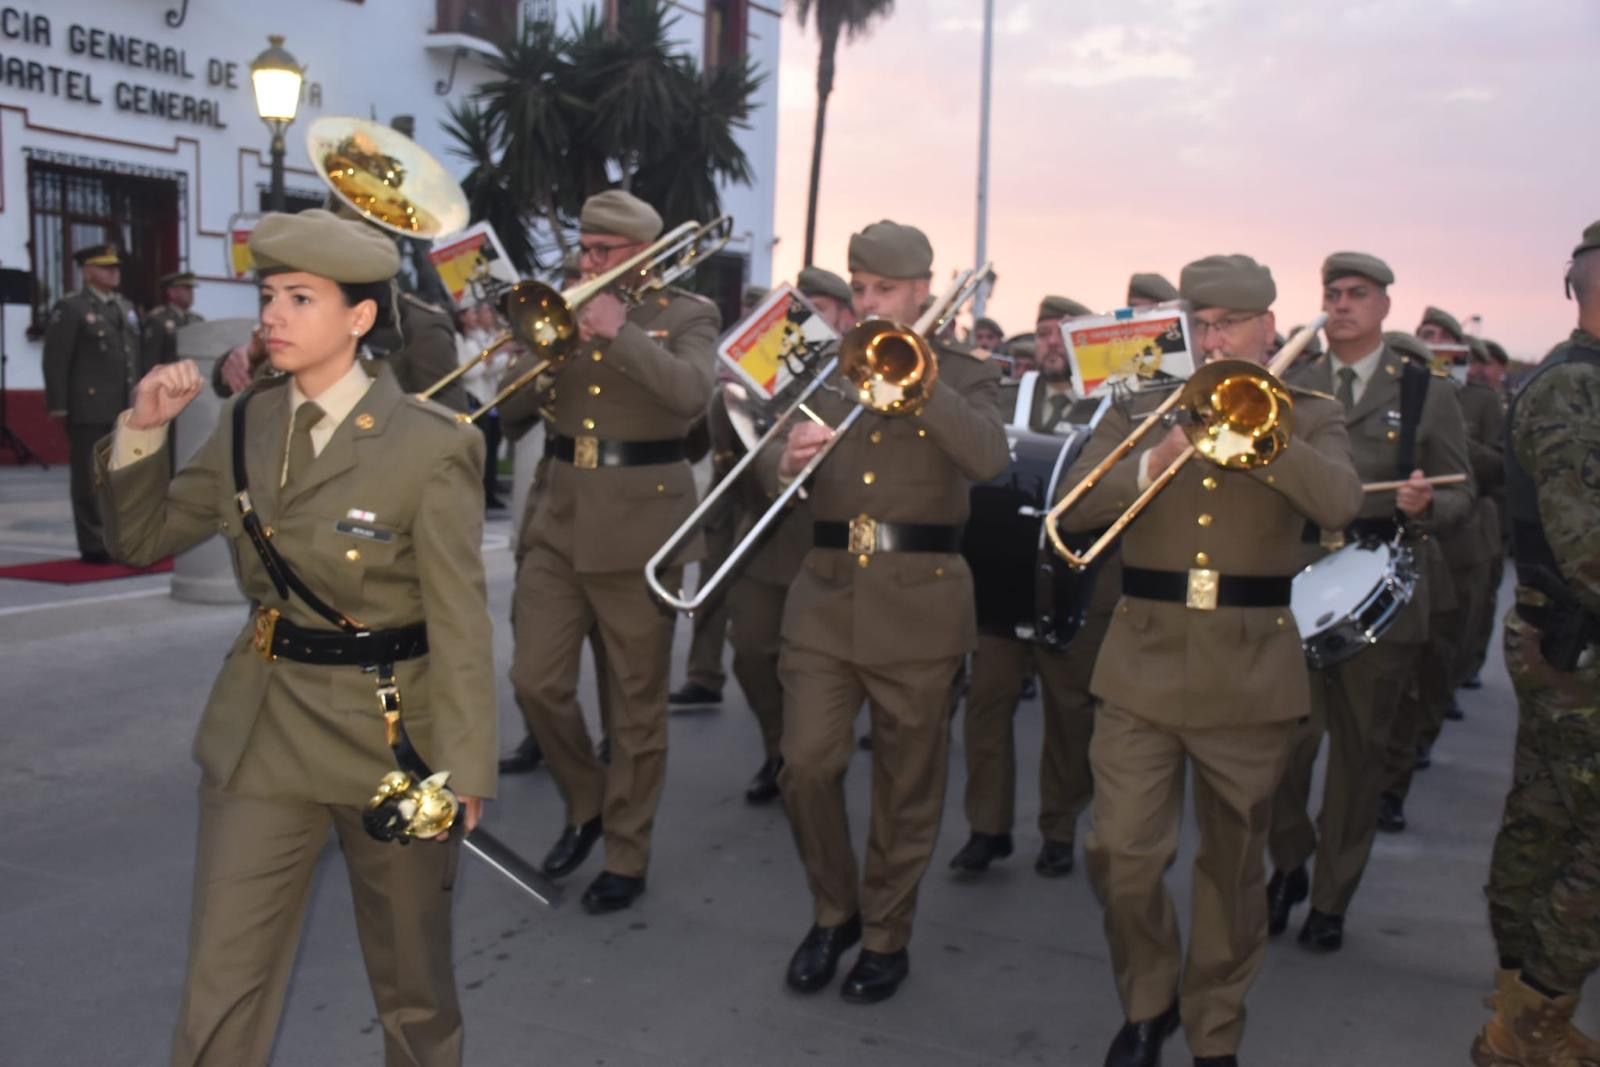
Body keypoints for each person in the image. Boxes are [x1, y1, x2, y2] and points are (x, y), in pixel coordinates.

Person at [95, 208, 495, 1066]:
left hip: (392, 741)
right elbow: (140, 538)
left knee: (413, 991)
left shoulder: (431, 447)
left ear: (358, 317)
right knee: (221, 982)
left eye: (299, 298)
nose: (271, 314)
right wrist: (143, 429)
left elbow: (460, 619)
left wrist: (466, 762)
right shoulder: (247, 420)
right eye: (268, 294)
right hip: (264, 728)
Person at [1061, 255, 1361, 1067]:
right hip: (1143, 657)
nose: (1214, 334)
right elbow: (1077, 507)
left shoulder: (1308, 410)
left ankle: (1215, 1026)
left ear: (1269, 326)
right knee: (1119, 854)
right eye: (1204, 320)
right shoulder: (1145, 399)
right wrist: (1152, 459)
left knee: (1232, 871)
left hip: (1250, 669)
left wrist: (1256, 433)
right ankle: (1147, 997)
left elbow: (1339, 502)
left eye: (1231, 322)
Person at [766, 220, 1008, 1004]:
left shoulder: (964, 372)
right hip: (827, 591)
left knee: (907, 784)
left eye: (885, 291)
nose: (869, 304)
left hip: (920, 599)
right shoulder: (826, 367)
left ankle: (885, 933)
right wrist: (787, 460)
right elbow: (771, 460)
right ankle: (835, 908)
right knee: (805, 762)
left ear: (921, 292)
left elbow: (990, 458)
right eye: (860, 289)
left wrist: (918, 383)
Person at [499, 189, 720, 914]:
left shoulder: (686, 314)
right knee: (536, 680)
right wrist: (543, 346)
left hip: (639, 530)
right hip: (558, 517)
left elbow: (692, 395)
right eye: (584, 249)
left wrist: (617, 331)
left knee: (635, 706)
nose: (586, 262)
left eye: (602, 252)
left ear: (640, 255)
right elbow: (509, 409)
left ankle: (626, 849)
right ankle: (587, 799)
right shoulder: (562, 307)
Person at [1265, 252, 1473, 952]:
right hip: (1297, 582)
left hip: (1382, 590)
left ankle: (1331, 897)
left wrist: (1427, 503)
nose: (1343, 304)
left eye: (1358, 293)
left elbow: (1462, 489)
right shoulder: (1292, 384)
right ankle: (1289, 862)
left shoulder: (1421, 390)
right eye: (1332, 292)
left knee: (1359, 756)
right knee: (1281, 752)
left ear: (1384, 305)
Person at [1473, 218, 1600, 1067]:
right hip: (1575, 647)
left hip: (1568, 641)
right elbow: (1584, 540)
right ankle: (1529, 1021)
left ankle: (1520, 1011)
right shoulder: (1570, 390)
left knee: (1548, 821)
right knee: (1574, 841)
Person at [951, 292, 1103, 879]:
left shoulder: (1108, 408)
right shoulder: (1009, 397)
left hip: (1073, 580)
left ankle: (1059, 825)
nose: (1051, 342)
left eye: (1065, 332)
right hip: (1000, 577)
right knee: (986, 703)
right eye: (1043, 332)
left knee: (1070, 712)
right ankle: (987, 827)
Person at [718, 266, 856, 804]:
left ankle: (807, 756)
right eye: (801, 307)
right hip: (769, 538)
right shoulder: (770, 368)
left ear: (845, 316)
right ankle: (778, 748)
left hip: (831, 546)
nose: (808, 319)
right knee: (752, 653)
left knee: (819, 668)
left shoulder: (859, 369)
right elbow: (736, 442)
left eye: (821, 309)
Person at [1375, 330, 1485, 831]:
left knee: (1414, 688)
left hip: (1427, 563)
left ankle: (1391, 789)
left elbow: (1472, 483)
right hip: (1358, 561)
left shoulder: (1450, 405)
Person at [42, 243, 142, 564]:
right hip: (89, 407)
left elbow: (132, 358)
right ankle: (93, 542)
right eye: (105, 266)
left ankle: (119, 537)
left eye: (116, 267)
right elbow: (56, 359)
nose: (114, 272)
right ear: (87, 271)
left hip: (123, 408)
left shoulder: (124, 307)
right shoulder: (71, 308)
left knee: (120, 478)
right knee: (89, 479)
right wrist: (60, 406)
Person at [142, 271, 203, 373]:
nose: (191, 292)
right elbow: (151, 360)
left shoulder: (197, 320)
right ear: (171, 292)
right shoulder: (159, 320)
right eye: (186, 288)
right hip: (169, 382)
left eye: (192, 289)